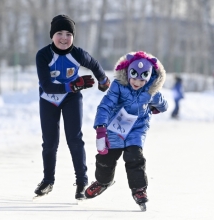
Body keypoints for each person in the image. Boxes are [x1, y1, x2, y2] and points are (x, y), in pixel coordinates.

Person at [34, 14, 110, 200]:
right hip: (49, 99)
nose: (64, 38)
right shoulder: (43, 55)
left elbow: (94, 64)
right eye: (59, 33)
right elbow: (47, 85)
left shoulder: (77, 54)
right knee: (50, 143)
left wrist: (103, 80)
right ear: (52, 35)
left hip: (71, 99)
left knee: (74, 140)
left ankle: (82, 182)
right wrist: (73, 85)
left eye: (69, 34)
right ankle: (48, 181)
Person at [83, 51, 168, 207]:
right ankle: (103, 181)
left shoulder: (151, 91)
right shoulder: (118, 86)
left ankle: (139, 189)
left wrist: (157, 108)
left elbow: (163, 103)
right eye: (134, 77)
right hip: (116, 125)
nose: (137, 82)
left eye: (142, 79)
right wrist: (101, 129)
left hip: (137, 128)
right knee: (106, 157)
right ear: (128, 72)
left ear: (149, 78)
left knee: (135, 156)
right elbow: (105, 106)